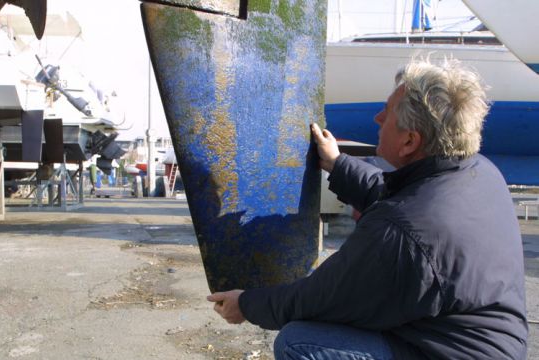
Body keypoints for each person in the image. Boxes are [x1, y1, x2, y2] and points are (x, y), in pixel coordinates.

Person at [207, 59, 528, 359]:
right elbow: (393, 195)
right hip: (479, 344)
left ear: (409, 142)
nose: (377, 118)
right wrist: (337, 163)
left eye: (386, 112)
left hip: (446, 350)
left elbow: (318, 298)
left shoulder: (404, 233)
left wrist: (246, 304)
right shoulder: (477, 172)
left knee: (298, 341)